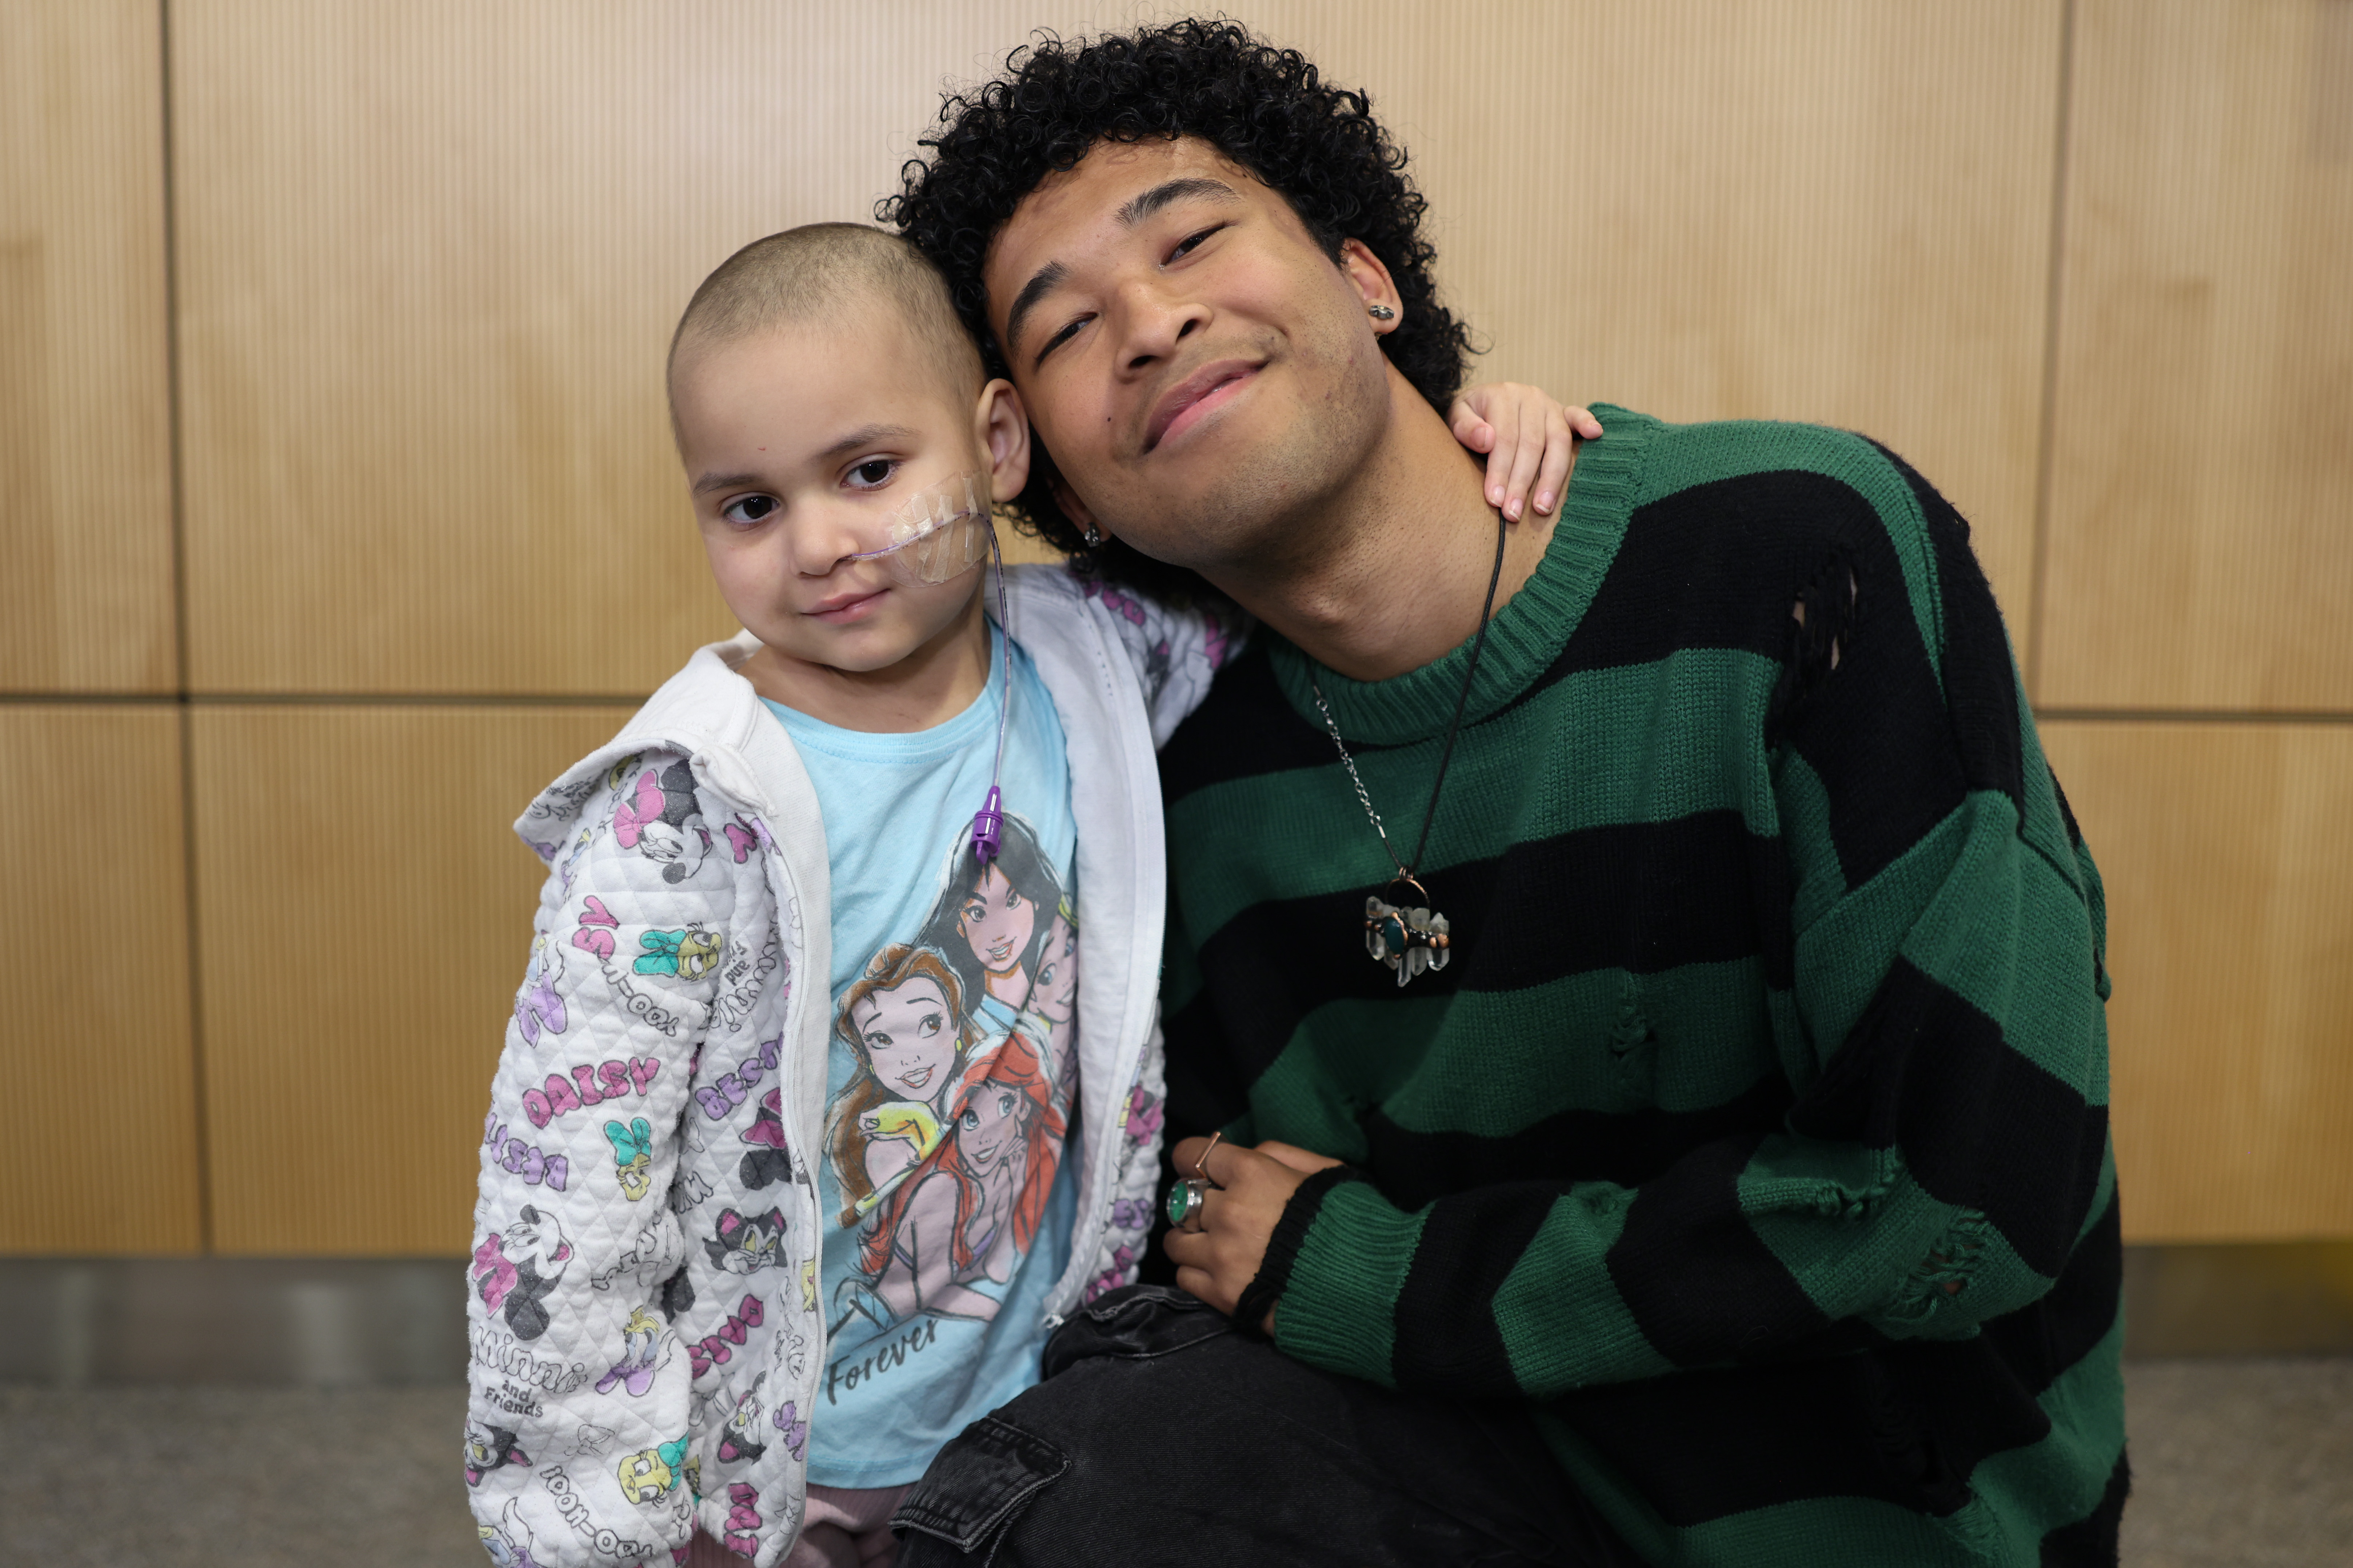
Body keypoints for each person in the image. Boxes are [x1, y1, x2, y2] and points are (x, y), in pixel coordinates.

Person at [883, 20, 2125, 1568]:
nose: (1148, 321)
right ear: (1056, 481)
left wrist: (1379, 1271)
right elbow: (1194, 1220)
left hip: (1867, 1496)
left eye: (1191, 238)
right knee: (1035, 1508)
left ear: (1366, 278)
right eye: (1065, 328)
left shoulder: (1799, 560)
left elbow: (1970, 1192)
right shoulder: (1168, 775)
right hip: (1465, 1449)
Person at [462, 217, 1593, 1566]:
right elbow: (564, 1207)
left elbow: (1305, 556)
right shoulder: (681, 814)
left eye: (869, 471)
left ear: (996, 444)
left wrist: (1470, 444)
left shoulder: (1094, 657)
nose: (818, 542)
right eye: (750, 506)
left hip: (1025, 1413)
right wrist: (611, 1529)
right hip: (755, 1469)